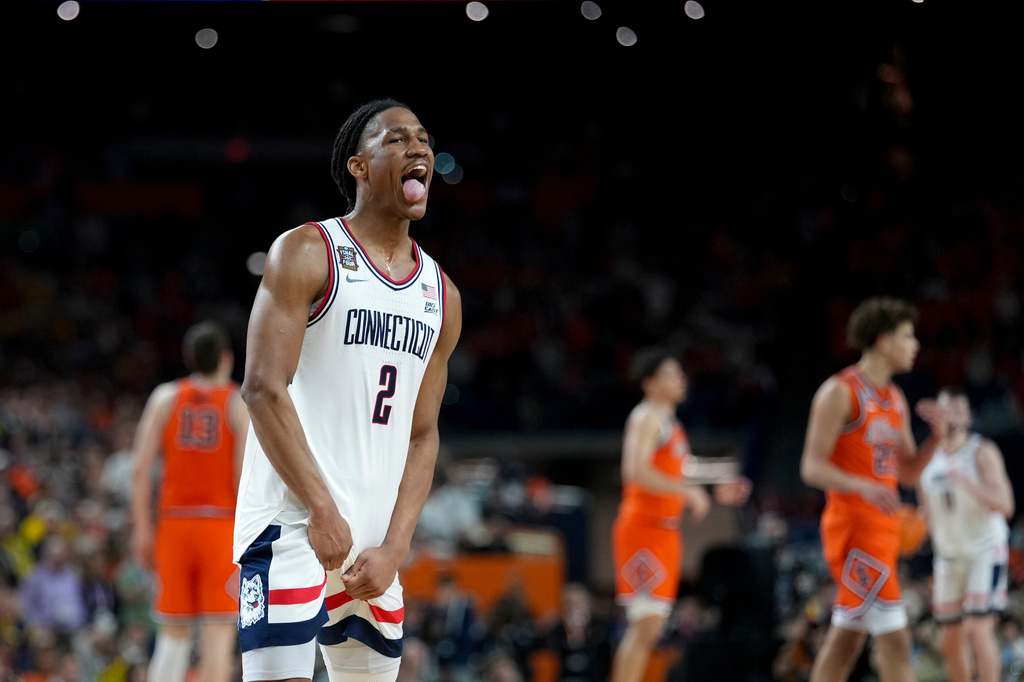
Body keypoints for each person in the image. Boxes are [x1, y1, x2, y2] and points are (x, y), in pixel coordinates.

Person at [233, 98, 462, 682]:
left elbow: (424, 433)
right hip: (294, 521)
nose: (419, 149)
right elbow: (261, 387)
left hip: (373, 545)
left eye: (425, 140)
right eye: (397, 140)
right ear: (358, 167)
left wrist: (397, 547)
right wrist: (320, 509)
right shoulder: (308, 250)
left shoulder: (443, 294)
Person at [799, 296, 946, 682]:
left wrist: (935, 439)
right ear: (883, 341)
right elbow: (811, 466)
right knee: (893, 641)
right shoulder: (839, 391)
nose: (915, 345)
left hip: (882, 529)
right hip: (853, 526)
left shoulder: (895, 399)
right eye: (907, 336)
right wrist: (860, 485)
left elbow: (909, 473)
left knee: (847, 641)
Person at [609, 347, 751, 682]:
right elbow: (635, 471)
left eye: (680, 373)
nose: (680, 380)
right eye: (671, 374)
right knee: (645, 626)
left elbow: (681, 469)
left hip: (664, 532)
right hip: (643, 529)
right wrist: (687, 492)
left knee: (652, 628)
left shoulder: (671, 425)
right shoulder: (646, 417)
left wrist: (718, 482)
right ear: (649, 383)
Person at [130, 320, 249, 682]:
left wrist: (141, 530)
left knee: (173, 635)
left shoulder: (165, 398)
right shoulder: (237, 401)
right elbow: (243, 479)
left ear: (189, 357)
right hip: (221, 528)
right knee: (217, 638)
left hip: (175, 525)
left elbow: (139, 470)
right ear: (227, 359)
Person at [917, 387, 1013, 682]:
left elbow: (1006, 505)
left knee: (977, 630)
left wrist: (968, 484)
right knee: (949, 639)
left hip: (985, 550)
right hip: (949, 557)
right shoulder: (927, 460)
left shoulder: (982, 451)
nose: (953, 414)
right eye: (947, 408)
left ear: (969, 417)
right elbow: (925, 517)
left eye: (960, 408)